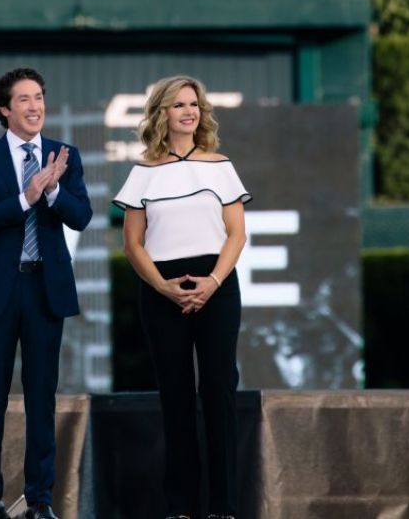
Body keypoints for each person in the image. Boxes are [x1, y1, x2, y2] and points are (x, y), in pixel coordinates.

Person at [113, 76, 251, 519]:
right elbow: (133, 244)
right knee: (175, 398)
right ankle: (180, 508)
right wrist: (162, 286)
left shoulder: (221, 165)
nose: (189, 111)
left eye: (194, 104)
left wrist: (212, 281)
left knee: (218, 391)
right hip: (160, 289)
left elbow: (236, 233)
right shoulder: (142, 173)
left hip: (217, 283)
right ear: (162, 114)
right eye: (179, 105)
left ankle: (224, 507)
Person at [0, 67, 92, 519]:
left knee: (42, 396)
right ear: (4, 109)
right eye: (24, 99)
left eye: (39, 97)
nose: (35, 106)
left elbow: (83, 216)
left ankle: (40, 501)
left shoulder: (64, 154)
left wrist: (53, 193)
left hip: (44, 289)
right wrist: (26, 196)